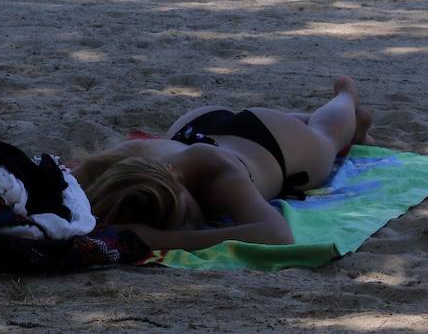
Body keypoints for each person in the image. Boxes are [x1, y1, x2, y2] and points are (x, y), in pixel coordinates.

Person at [72, 77, 374, 250]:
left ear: (174, 176)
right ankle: (323, 119)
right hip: (197, 126)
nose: (194, 223)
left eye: (189, 212)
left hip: (268, 143)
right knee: (305, 130)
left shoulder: (214, 168)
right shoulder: (128, 165)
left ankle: (347, 97)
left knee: (326, 136)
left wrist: (165, 239)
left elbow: (278, 235)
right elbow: (62, 177)